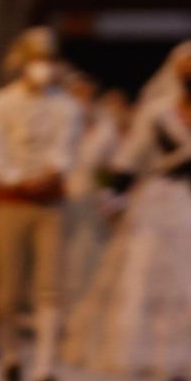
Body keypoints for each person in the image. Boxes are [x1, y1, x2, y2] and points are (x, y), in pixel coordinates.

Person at [66, 42, 191, 381]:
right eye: (187, 69)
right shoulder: (157, 113)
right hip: (165, 204)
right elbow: (132, 157)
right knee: (169, 280)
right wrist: (115, 193)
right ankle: (171, 363)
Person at [0, 27, 85, 381]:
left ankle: (44, 367)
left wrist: (50, 173)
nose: (44, 68)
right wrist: (15, 178)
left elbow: (66, 147)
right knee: (8, 291)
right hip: (10, 203)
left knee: (50, 288)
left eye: (49, 60)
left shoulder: (65, 105)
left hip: (50, 203)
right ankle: (10, 355)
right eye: (38, 60)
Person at [62, 79, 130, 312]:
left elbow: (117, 164)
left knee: (92, 254)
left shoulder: (105, 129)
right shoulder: (61, 127)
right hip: (63, 199)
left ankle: (91, 306)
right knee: (66, 255)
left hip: (94, 201)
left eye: (85, 95)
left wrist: (113, 196)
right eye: (76, 95)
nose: (82, 101)